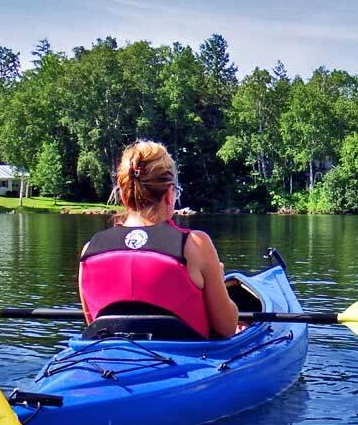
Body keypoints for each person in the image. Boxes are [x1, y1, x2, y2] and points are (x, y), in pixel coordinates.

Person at [79, 141, 239, 338]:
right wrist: (218, 281)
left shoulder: (90, 251)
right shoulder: (195, 245)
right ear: (170, 194)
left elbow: (93, 324)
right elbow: (227, 328)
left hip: (112, 362)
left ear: (123, 194)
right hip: (184, 362)